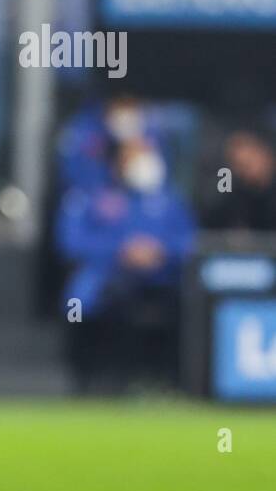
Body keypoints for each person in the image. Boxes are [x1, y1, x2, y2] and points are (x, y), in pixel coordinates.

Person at [56, 137, 195, 392]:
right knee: (88, 300)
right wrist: (121, 251)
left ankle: (168, 380)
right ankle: (94, 380)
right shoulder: (90, 198)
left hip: (162, 279)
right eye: (134, 156)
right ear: (116, 163)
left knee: (184, 304)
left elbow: (190, 242)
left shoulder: (171, 201)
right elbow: (72, 243)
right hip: (109, 277)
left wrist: (160, 252)